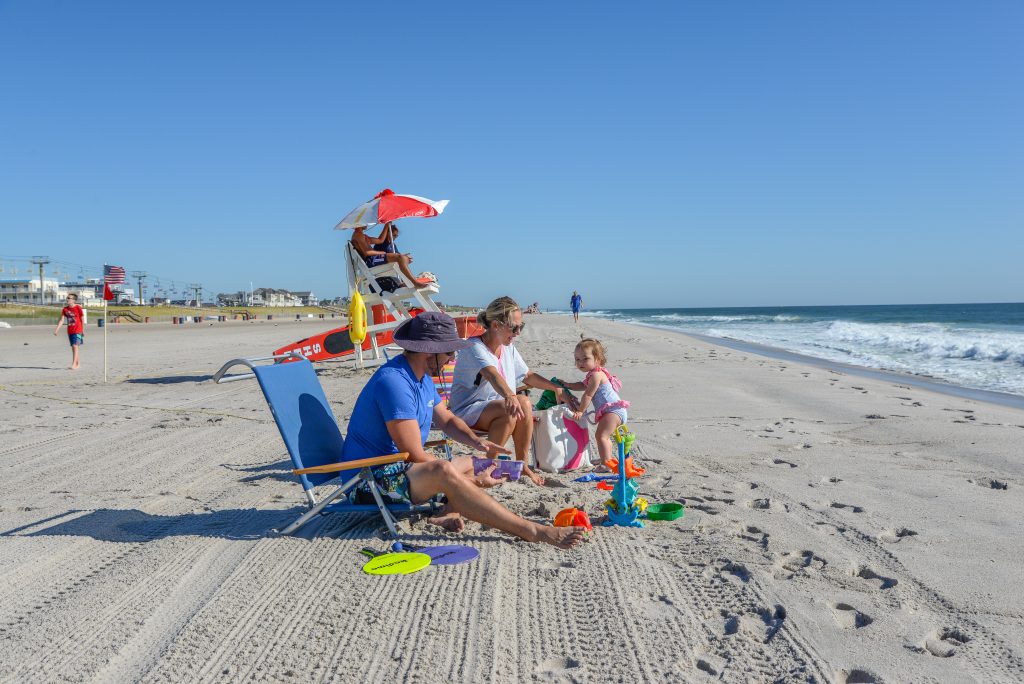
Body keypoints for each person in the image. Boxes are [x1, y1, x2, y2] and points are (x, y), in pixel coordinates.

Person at [339, 311, 586, 549]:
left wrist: (477, 443)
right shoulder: (394, 382)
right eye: (450, 352)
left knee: (475, 462)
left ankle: (448, 507)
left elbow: (446, 420)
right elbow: (414, 453)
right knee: (443, 469)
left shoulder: (420, 377)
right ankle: (531, 530)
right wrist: (469, 481)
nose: (452, 359)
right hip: (367, 481)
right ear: (430, 351)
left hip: (395, 472)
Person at [449, 296, 577, 486]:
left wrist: (556, 388)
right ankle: (490, 465)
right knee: (521, 402)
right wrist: (510, 396)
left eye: (521, 327)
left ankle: (519, 465)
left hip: (498, 409)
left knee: (514, 409)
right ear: (495, 325)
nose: (518, 333)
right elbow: (492, 374)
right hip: (466, 410)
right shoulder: (473, 347)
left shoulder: (508, 348)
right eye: (514, 327)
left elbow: (527, 376)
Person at [562, 338, 630, 466]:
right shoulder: (593, 375)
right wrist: (568, 385)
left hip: (613, 411)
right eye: (577, 359)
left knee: (601, 435)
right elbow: (582, 385)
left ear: (597, 360)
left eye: (585, 359)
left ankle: (606, 463)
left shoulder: (596, 375)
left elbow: (588, 394)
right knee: (604, 436)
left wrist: (580, 411)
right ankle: (607, 458)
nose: (580, 362)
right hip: (613, 411)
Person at [350, 221, 429, 289]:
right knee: (399, 257)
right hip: (371, 260)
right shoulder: (358, 236)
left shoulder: (361, 235)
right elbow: (367, 252)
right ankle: (414, 282)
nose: (367, 224)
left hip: (372, 259)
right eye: (365, 222)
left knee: (401, 258)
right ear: (359, 223)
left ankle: (409, 282)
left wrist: (386, 225)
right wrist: (383, 253)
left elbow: (380, 240)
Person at [53, 293, 85, 370]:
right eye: (67, 298)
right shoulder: (65, 309)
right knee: (74, 347)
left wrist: (82, 330)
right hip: (70, 330)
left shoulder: (78, 307)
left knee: (75, 346)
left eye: (69, 298)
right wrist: (57, 330)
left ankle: (73, 364)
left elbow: (82, 319)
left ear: (74, 300)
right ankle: (78, 364)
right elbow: (61, 320)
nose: (67, 299)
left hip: (78, 330)